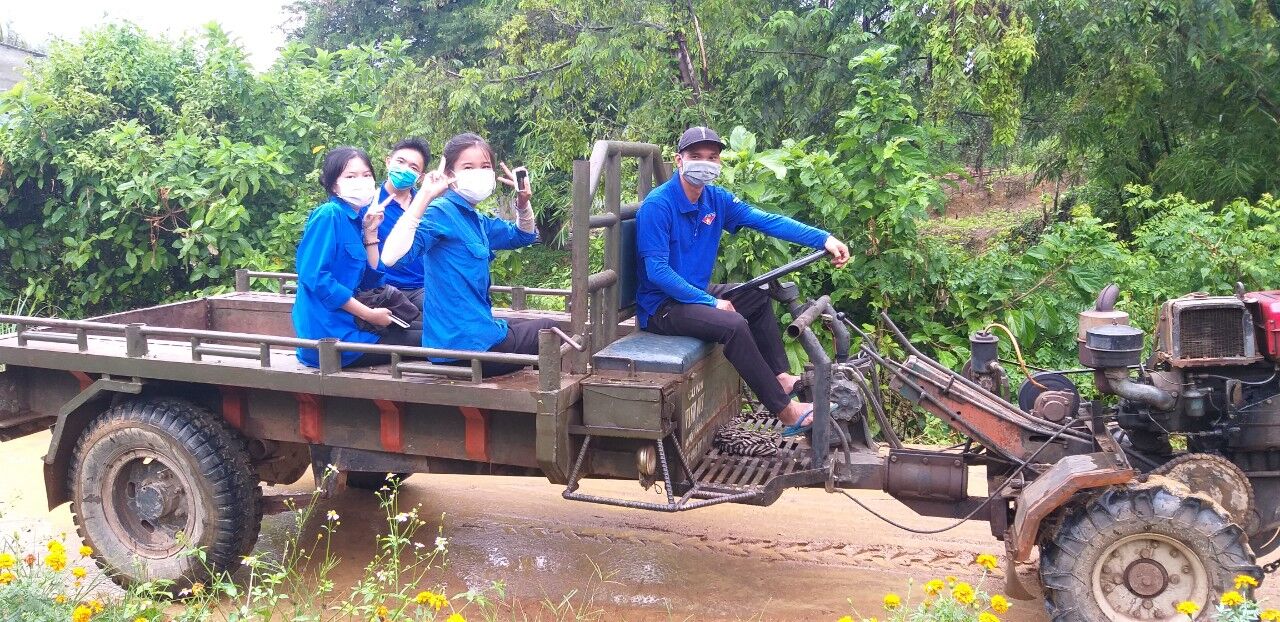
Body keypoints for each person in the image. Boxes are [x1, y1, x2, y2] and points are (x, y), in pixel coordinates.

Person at [635, 126, 851, 435]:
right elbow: (657, 272)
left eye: (712, 157)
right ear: (678, 160)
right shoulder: (659, 205)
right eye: (696, 156)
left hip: (693, 292)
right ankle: (786, 411)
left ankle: (780, 377)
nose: (704, 163)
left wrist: (823, 239)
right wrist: (711, 302)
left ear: (719, 163)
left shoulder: (716, 199)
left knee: (757, 296)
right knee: (733, 324)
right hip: (662, 306)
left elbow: (766, 221)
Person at [381, 132, 548, 377]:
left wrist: (522, 203)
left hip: (474, 336)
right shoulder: (440, 211)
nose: (478, 173)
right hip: (464, 348)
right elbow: (391, 258)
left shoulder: (474, 219)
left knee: (525, 328)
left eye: (485, 166)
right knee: (549, 330)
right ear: (450, 175)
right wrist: (425, 195)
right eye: (468, 167)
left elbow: (522, 235)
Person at [291, 146, 449, 368]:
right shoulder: (329, 215)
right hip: (331, 336)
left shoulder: (356, 220)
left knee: (438, 329)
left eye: (366, 175)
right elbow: (315, 277)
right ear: (333, 184)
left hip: (356, 324)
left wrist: (371, 233)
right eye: (350, 176)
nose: (361, 181)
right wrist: (369, 314)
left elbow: (370, 280)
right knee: (440, 341)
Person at [374, 137, 432, 309]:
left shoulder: (428, 205)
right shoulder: (369, 202)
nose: (405, 169)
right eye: (400, 161)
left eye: (413, 167)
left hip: (423, 288)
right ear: (388, 162)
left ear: (420, 177)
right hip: (384, 288)